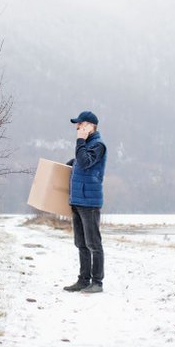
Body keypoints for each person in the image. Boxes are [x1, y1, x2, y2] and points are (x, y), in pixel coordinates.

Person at [63, 110, 107, 294]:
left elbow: (85, 161)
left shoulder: (98, 145)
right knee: (81, 243)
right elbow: (79, 162)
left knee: (93, 243)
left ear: (90, 126)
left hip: (89, 202)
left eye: (80, 124)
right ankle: (83, 280)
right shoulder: (86, 145)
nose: (77, 127)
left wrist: (80, 141)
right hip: (78, 200)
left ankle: (97, 282)